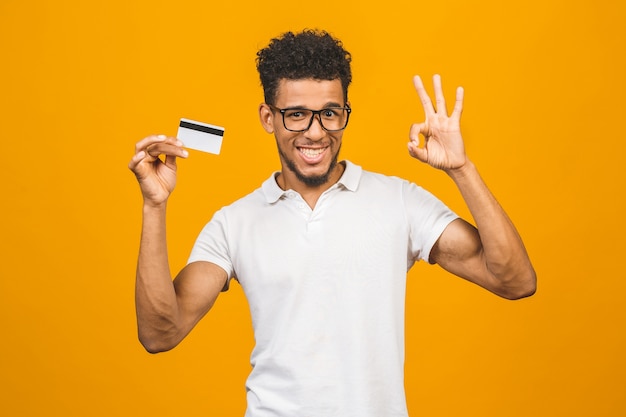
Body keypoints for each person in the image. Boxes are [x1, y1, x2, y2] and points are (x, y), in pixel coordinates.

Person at [128, 29, 536, 417]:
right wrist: (154, 205)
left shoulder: (400, 201)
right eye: (297, 115)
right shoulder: (233, 223)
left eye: (329, 113)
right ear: (268, 117)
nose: (316, 132)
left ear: (344, 113)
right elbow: (160, 334)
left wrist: (462, 170)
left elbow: (514, 281)